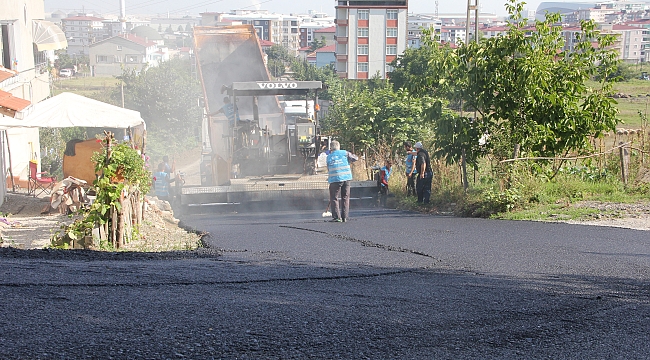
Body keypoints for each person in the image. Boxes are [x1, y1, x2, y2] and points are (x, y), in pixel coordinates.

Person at [326, 140, 358, 222]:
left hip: (334, 180)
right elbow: (355, 158)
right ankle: (344, 217)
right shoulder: (345, 153)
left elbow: (329, 168)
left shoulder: (329, 157)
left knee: (334, 198)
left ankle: (337, 217)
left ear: (331, 148)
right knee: (345, 197)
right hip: (346, 178)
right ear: (339, 146)